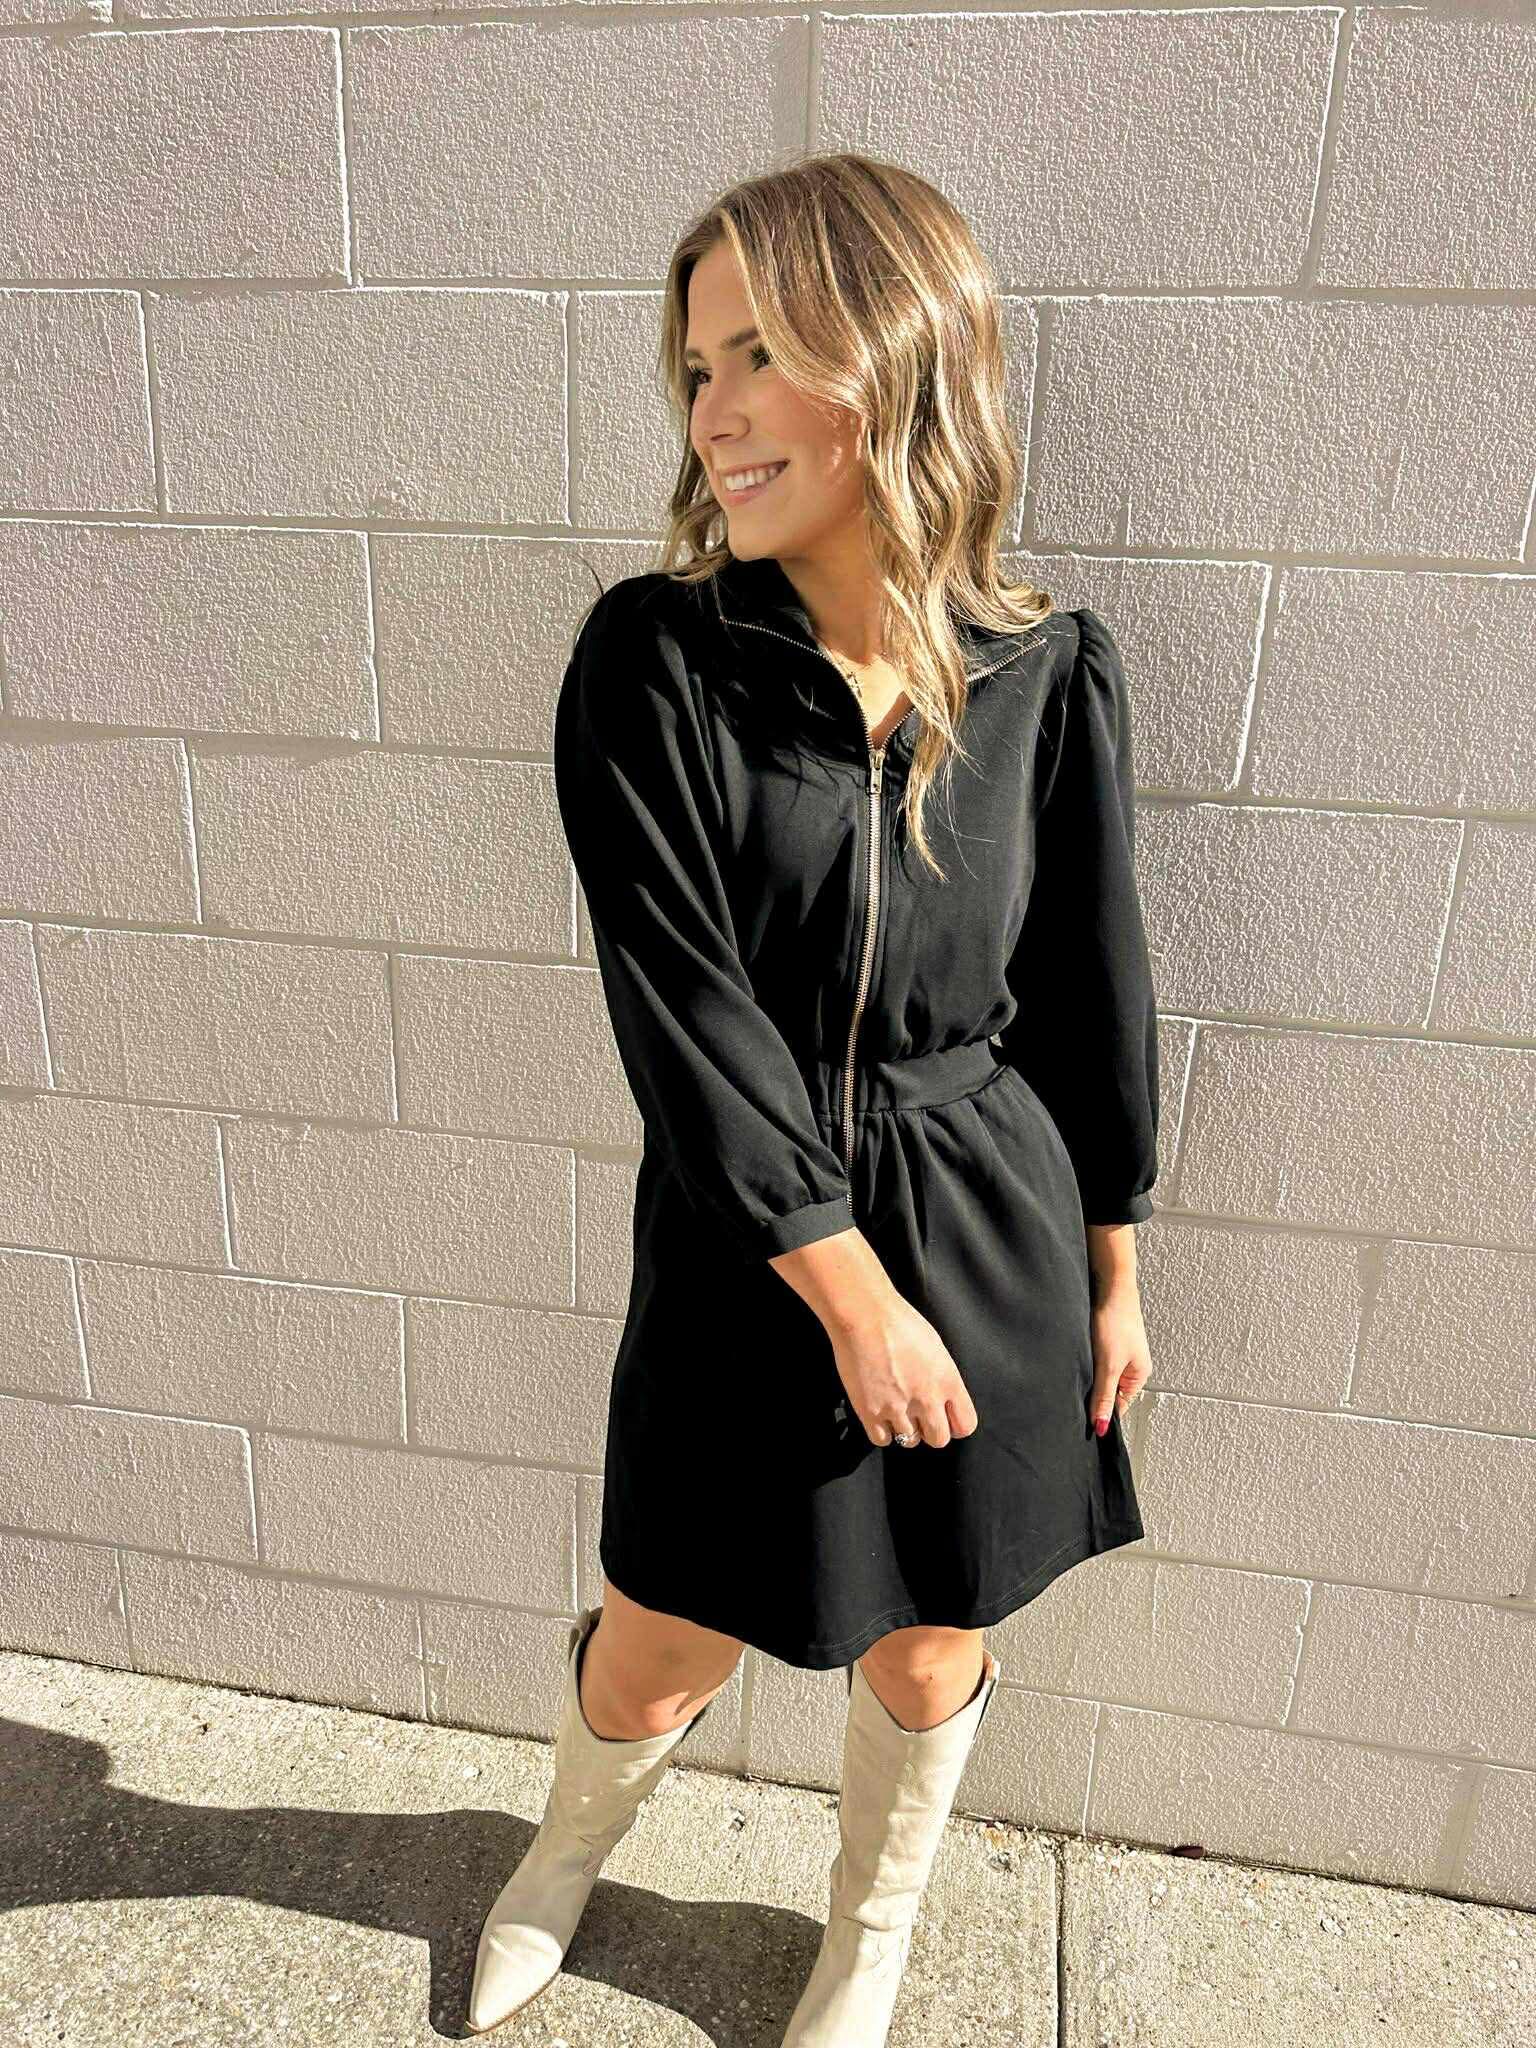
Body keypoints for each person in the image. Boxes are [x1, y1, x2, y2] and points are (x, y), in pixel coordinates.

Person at [468, 150, 1159, 2043]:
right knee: (662, 1635)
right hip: (749, 1239)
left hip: (988, 1222)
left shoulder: (1045, 668)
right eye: (700, 368)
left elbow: (1093, 994)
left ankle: (870, 1937)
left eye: (764, 354)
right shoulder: (657, 664)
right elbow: (685, 1014)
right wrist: (852, 1302)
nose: (716, 410)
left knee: (931, 1644)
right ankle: (561, 1855)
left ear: (900, 357)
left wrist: (1115, 1273)